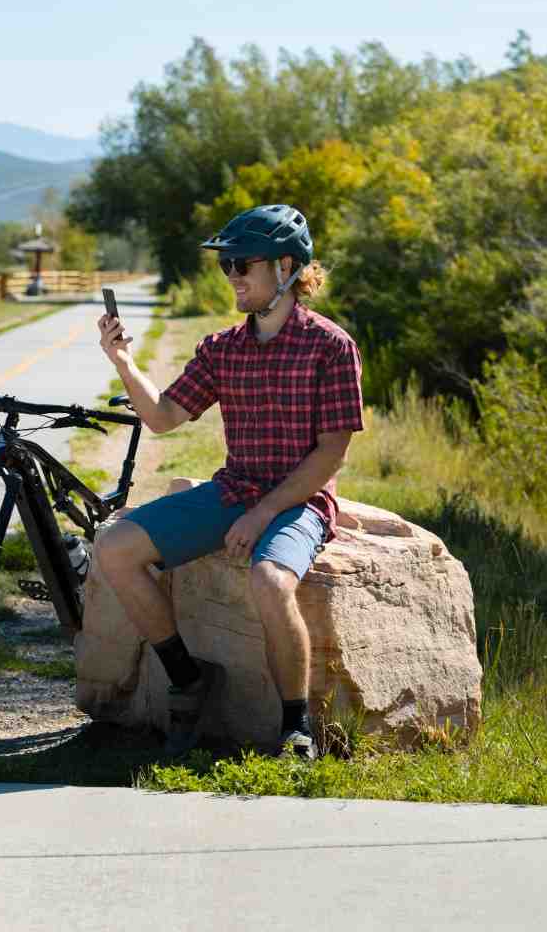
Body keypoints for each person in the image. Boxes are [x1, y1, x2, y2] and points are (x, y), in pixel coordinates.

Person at [93, 204, 365, 759]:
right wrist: (123, 360)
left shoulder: (331, 347)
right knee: (114, 548)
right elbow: (163, 417)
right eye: (227, 266)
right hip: (233, 490)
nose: (233, 276)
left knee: (269, 581)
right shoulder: (222, 349)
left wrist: (263, 514)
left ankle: (295, 727)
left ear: (286, 267)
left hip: (300, 501)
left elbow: (331, 454)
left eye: (243, 264)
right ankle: (187, 679)